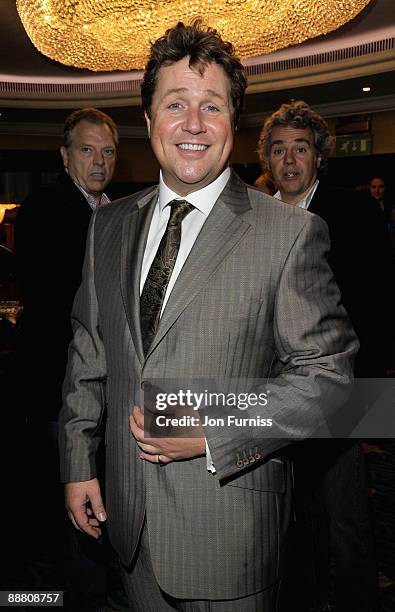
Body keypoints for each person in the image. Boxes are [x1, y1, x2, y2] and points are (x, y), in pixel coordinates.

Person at [59, 22, 358, 611]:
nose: (192, 124)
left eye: (211, 107)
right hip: (129, 526)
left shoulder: (290, 234)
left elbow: (330, 383)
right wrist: (77, 463)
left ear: (233, 124)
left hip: (233, 538)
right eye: (175, 104)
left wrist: (214, 430)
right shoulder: (109, 226)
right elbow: (88, 355)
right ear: (149, 123)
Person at [257, 100, 393, 611]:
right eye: (278, 150)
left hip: (343, 386)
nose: (290, 161)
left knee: (346, 513)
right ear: (266, 161)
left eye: (301, 149)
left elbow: (379, 299)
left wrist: (364, 388)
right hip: (274, 390)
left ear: (319, 157)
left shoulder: (354, 210)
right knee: (296, 512)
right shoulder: (255, 219)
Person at [15, 107, 124, 609]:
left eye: (107, 151)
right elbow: (63, 301)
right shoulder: (45, 207)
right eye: (87, 149)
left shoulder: (116, 211)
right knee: (71, 491)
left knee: (94, 489)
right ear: (65, 157)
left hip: (104, 386)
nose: (99, 161)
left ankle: (94, 583)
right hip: (62, 384)